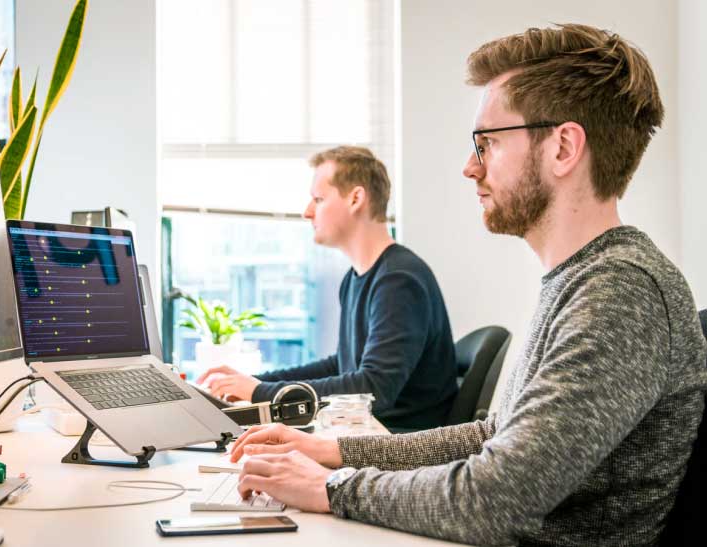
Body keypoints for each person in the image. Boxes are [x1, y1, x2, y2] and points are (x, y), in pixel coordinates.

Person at [225, 24, 707, 546]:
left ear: (563, 147)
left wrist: (333, 487)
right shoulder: (583, 279)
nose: (470, 167)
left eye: (487, 143)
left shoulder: (620, 292)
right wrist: (336, 452)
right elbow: (492, 437)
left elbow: (493, 499)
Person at [197, 146, 459, 431]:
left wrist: (261, 393)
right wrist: (258, 383)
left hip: (396, 443)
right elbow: (342, 365)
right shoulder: (358, 278)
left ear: (356, 199)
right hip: (365, 432)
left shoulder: (398, 281)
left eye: (318, 199)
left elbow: (373, 390)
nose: (307, 212)